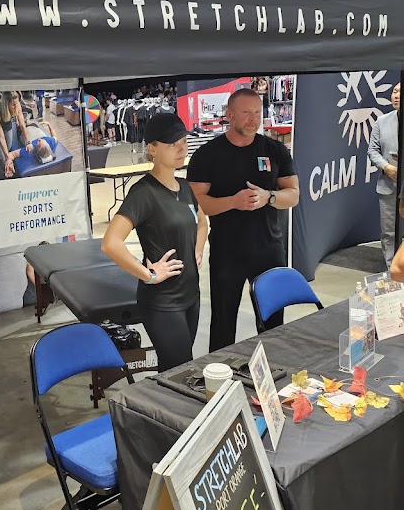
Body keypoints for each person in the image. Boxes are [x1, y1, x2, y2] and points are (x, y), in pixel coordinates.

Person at [187, 88, 299, 352]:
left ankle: (274, 369)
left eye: (257, 112)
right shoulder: (208, 154)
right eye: (246, 112)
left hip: (269, 249)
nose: (253, 119)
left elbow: (293, 195)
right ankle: (220, 372)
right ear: (229, 114)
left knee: (274, 325)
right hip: (227, 252)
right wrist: (233, 202)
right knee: (223, 324)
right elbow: (195, 204)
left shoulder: (274, 150)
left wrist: (269, 197)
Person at [101, 113, 207, 372]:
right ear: (152, 149)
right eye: (172, 144)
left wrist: (197, 249)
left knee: (176, 370)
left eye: (183, 142)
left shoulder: (185, 187)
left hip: (191, 295)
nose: (181, 149)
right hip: (163, 301)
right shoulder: (143, 193)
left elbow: (202, 223)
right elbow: (110, 243)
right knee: (180, 371)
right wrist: (148, 275)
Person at [367, 82, 400, 269]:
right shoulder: (382, 121)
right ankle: (392, 271)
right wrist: (386, 167)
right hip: (388, 186)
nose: (396, 96)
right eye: (394, 91)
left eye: (400, 92)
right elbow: (372, 150)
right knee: (389, 232)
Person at [0, 91, 31, 172]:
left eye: (16, 103)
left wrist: (28, 142)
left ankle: (9, 163)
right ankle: (6, 169)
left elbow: (22, 125)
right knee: (1, 155)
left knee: (8, 146)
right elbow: (1, 137)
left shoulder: (17, 105)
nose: (16, 106)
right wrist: (8, 158)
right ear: (6, 105)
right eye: (13, 105)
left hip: (7, 125)